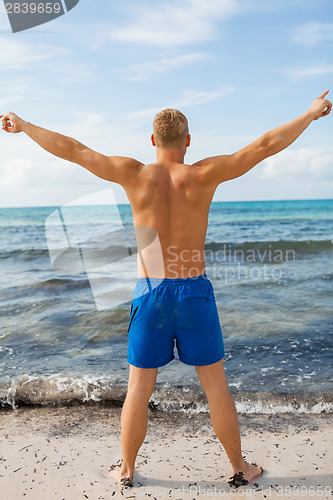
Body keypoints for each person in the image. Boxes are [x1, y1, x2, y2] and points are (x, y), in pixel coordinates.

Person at [1, 91, 331, 489]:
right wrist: (310, 115)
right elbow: (265, 145)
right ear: (188, 141)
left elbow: (73, 150)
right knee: (215, 386)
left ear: (152, 141)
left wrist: (24, 125)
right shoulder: (204, 173)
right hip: (194, 291)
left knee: (138, 388)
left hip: (151, 291)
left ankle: (126, 470)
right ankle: (240, 469)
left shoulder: (134, 174)